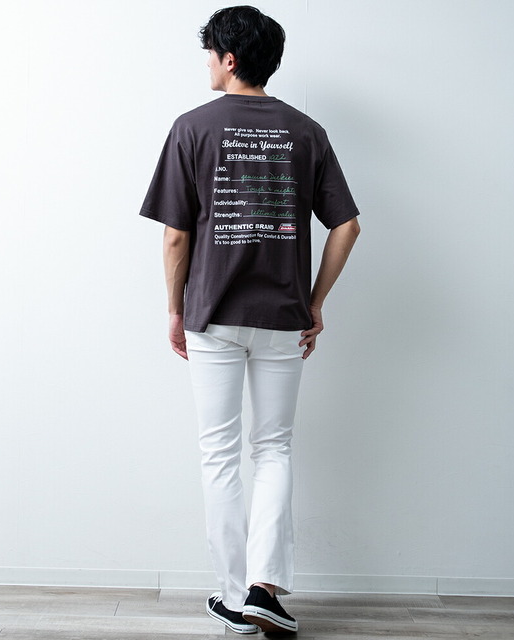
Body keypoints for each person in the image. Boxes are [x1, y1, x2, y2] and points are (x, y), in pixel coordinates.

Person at [140, 5, 360, 634]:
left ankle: (236, 598)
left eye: (210, 53)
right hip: (283, 317)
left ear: (229, 59)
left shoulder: (192, 128)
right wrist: (314, 303)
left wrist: (175, 309)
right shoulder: (306, 131)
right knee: (273, 448)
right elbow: (347, 226)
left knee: (220, 453)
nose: (207, 64)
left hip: (213, 313)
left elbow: (176, 236)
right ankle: (265, 590)